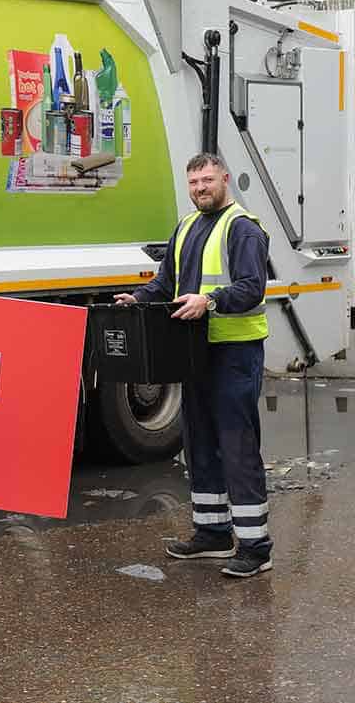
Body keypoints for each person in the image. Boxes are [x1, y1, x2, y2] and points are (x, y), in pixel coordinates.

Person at [115, 153, 273, 578]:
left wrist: (211, 301)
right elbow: (166, 283)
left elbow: (251, 288)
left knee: (236, 445)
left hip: (234, 353)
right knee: (199, 440)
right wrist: (138, 299)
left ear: (224, 179)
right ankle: (212, 534)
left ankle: (256, 547)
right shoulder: (186, 227)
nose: (200, 188)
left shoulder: (243, 228)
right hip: (194, 352)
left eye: (207, 180)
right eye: (193, 182)